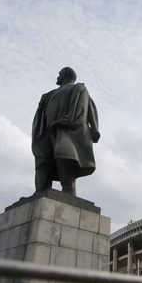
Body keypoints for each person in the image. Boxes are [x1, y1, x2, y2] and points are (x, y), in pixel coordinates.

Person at [31, 67, 100, 195]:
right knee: (43, 160)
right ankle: (40, 191)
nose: (57, 77)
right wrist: (41, 106)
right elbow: (41, 115)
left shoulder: (78, 88)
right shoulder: (50, 94)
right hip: (47, 131)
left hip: (66, 130)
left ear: (67, 75)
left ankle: (68, 191)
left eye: (60, 74)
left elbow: (81, 109)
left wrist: (66, 120)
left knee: (64, 158)